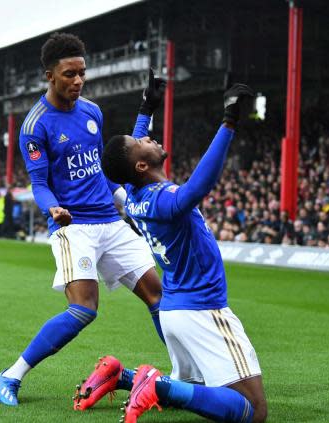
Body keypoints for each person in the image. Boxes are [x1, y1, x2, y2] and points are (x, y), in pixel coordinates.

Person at [0, 33, 165, 407]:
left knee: (158, 295)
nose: (78, 81)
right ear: (49, 76)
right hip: (73, 228)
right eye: (69, 74)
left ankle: (190, 377)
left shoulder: (91, 112)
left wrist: (123, 200)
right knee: (84, 308)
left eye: (82, 73)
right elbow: (39, 183)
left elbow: (101, 169)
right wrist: (53, 208)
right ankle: (10, 375)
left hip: (110, 221)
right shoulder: (35, 126)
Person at [94, 82, 267, 422]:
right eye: (142, 142)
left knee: (196, 387)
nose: (147, 138)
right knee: (253, 411)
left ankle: (123, 376)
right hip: (202, 309)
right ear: (141, 166)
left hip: (176, 310)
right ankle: (156, 386)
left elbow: (129, 154)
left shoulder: (136, 192)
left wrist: (147, 108)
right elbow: (199, 186)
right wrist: (229, 121)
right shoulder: (162, 201)